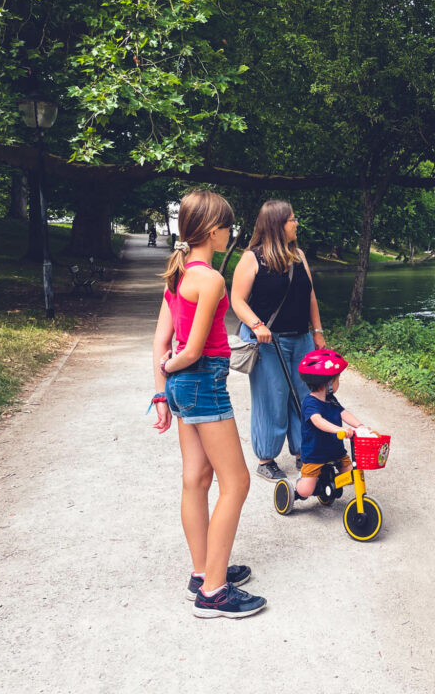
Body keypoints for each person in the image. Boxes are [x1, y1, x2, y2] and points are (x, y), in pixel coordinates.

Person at [151, 190, 266, 619]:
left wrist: (162, 386)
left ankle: (203, 573)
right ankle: (215, 593)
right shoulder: (212, 279)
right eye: (228, 226)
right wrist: (173, 365)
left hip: (182, 388)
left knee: (196, 479)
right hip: (201, 383)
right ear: (213, 230)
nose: (230, 233)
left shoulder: (179, 274)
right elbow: (190, 350)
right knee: (236, 482)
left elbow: (163, 340)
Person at [230, 200, 326, 482]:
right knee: (272, 399)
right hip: (268, 342)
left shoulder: (298, 255)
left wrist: (317, 332)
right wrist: (256, 324)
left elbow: (309, 295)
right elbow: (237, 299)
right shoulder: (252, 258)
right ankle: (266, 458)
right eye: (292, 219)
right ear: (277, 224)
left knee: (305, 396)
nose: (297, 224)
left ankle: (302, 452)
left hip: (301, 339)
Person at [294, 349, 371, 501]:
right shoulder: (310, 402)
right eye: (337, 379)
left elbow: (343, 413)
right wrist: (339, 430)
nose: (338, 383)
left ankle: (327, 482)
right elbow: (318, 421)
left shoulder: (331, 399)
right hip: (315, 454)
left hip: (336, 451)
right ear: (328, 383)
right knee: (306, 491)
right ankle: (295, 488)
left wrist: (359, 426)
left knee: (352, 474)